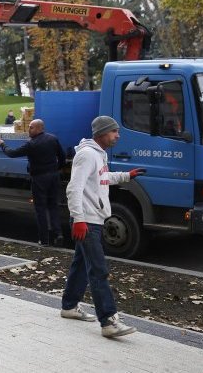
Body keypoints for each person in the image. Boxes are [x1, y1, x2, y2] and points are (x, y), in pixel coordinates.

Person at [60, 115, 145, 338]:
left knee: (81, 265)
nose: (118, 135)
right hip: (86, 220)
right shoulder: (87, 155)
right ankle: (108, 321)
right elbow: (74, 188)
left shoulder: (99, 154)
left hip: (93, 219)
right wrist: (78, 219)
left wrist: (127, 175)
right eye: (114, 131)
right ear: (102, 133)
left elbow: (102, 178)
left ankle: (69, 306)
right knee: (98, 270)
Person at [0, 119, 66, 247]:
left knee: (40, 209)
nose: (29, 130)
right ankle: (58, 234)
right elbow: (62, 156)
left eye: (31, 127)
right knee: (53, 206)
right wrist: (57, 169)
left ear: (40, 128)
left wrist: (2, 144)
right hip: (54, 177)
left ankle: (44, 240)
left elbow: (12, 153)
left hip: (39, 179)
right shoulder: (53, 139)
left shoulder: (31, 144)